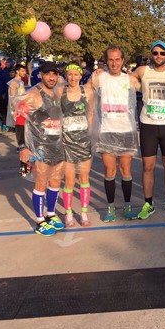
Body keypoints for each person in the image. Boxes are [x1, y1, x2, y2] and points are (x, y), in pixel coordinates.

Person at [130, 40, 165, 219]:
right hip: (148, 125)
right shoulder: (143, 71)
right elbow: (128, 79)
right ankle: (148, 203)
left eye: (162, 53)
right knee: (148, 166)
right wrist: (140, 88)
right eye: (155, 53)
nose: (159, 56)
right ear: (151, 54)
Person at [13, 61, 66, 236]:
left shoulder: (58, 92)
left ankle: (51, 214)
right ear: (41, 75)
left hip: (57, 143)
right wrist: (22, 147)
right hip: (40, 145)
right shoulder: (32, 94)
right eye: (48, 74)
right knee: (41, 181)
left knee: (56, 180)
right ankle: (39, 220)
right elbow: (19, 120)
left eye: (54, 74)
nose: (51, 77)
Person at [92, 45, 141, 222]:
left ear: (122, 60)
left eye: (117, 59)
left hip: (126, 130)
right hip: (107, 130)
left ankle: (127, 206)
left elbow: (148, 89)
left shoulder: (130, 80)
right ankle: (110, 207)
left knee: (125, 170)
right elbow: (85, 92)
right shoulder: (99, 78)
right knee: (109, 170)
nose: (114, 63)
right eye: (110, 60)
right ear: (106, 61)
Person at [60, 63, 95, 227]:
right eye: (70, 74)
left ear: (81, 76)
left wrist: (90, 134)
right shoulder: (60, 92)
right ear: (66, 76)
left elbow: (91, 113)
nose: (73, 78)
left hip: (83, 141)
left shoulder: (86, 92)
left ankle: (83, 212)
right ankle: (68, 213)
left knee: (84, 178)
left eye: (76, 74)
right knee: (68, 180)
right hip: (66, 141)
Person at [8, 64, 29, 177]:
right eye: (22, 71)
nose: (24, 73)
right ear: (17, 71)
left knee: (26, 140)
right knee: (21, 141)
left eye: (24, 71)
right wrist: (14, 112)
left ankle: (27, 164)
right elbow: (12, 99)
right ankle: (23, 166)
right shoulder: (13, 83)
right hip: (18, 113)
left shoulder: (21, 82)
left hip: (23, 111)